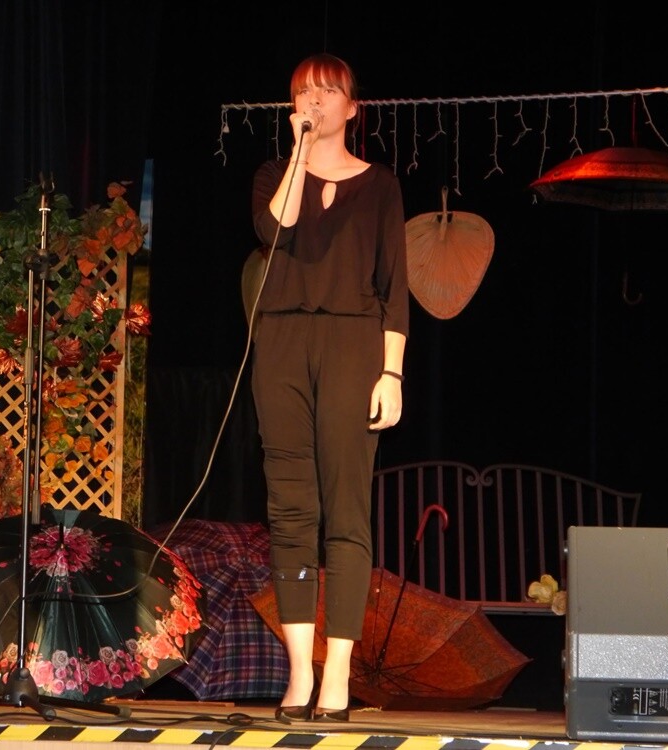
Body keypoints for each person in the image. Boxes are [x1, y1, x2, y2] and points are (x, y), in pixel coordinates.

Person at [250, 53, 409, 724]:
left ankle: (338, 672)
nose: (314, 101)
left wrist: (391, 373)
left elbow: (395, 287)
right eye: (303, 93)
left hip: (353, 343)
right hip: (281, 343)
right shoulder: (273, 174)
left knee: (345, 511)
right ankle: (300, 672)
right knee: (290, 510)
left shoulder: (380, 185)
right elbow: (276, 227)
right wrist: (299, 153)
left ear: (352, 107)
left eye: (327, 91)